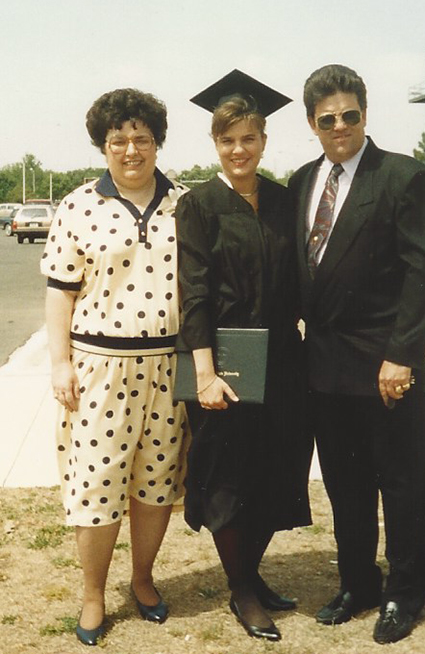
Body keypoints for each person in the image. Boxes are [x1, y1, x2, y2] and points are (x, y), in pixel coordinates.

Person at [288, 64, 425, 644]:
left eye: (349, 116)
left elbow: (424, 273)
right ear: (312, 123)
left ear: (364, 113)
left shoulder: (404, 178)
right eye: (327, 119)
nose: (340, 127)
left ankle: (405, 594)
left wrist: (403, 354)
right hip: (326, 371)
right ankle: (358, 582)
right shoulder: (305, 179)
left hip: (387, 369)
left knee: (403, 485)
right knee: (345, 487)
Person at [41, 88, 190, 646]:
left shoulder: (185, 203)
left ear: (157, 143)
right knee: (97, 485)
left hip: (167, 367)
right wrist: (61, 364)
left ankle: (144, 580)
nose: (131, 150)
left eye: (142, 139)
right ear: (103, 146)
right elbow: (59, 293)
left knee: (157, 484)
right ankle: (93, 594)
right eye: (119, 140)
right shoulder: (78, 206)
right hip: (100, 369)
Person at [175, 70, 313, 642]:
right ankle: (240, 592)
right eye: (227, 140)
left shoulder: (284, 202)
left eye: (249, 138)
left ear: (264, 141)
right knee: (228, 479)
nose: (239, 150)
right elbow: (195, 293)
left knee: (276, 472)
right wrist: (204, 373)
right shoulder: (200, 205)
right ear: (216, 145)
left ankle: (250, 575)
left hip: (282, 359)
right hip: (223, 360)